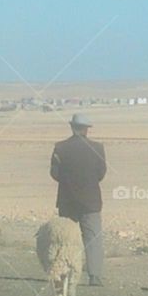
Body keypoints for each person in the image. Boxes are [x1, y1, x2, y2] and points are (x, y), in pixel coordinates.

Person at [50, 113, 107, 286]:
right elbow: (101, 173)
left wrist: (68, 183)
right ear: (86, 129)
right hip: (91, 201)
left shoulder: (60, 148)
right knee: (93, 238)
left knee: (67, 239)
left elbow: (54, 173)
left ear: (71, 127)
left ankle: (65, 273)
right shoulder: (97, 148)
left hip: (67, 201)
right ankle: (94, 276)